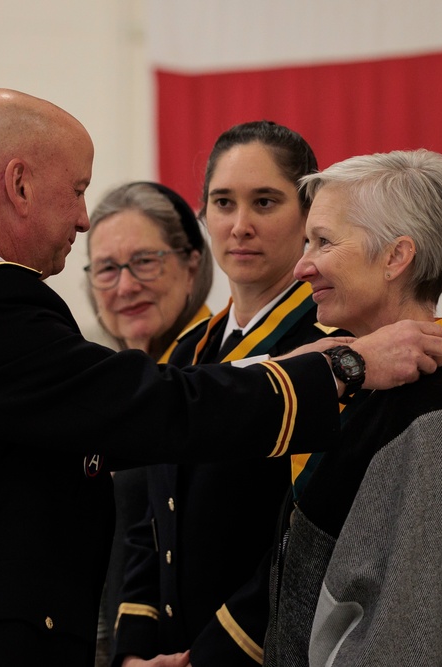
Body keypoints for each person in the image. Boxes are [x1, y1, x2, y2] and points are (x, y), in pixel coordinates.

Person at [0, 88, 442, 667]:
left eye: (267, 202)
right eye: (77, 190)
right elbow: (147, 414)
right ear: (19, 184)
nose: (83, 218)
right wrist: (345, 367)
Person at [263, 149, 442, 666]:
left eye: (323, 241)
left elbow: (419, 637)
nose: (302, 265)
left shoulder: (441, 421)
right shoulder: (357, 386)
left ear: (396, 257)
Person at [113, 121, 336, 666]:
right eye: (222, 202)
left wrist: (207, 657)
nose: (240, 226)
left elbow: (313, 538)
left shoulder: (327, 351)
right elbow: (151, 523)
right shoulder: (187, 352)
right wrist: (134, 651)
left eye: (265, 202)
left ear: (308, 215)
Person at [84, 181, 213, 665]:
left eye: (144, 262)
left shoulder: (224, 378)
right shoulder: (102, 383)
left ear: (191, 265)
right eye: (107, 269)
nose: (125, 286)